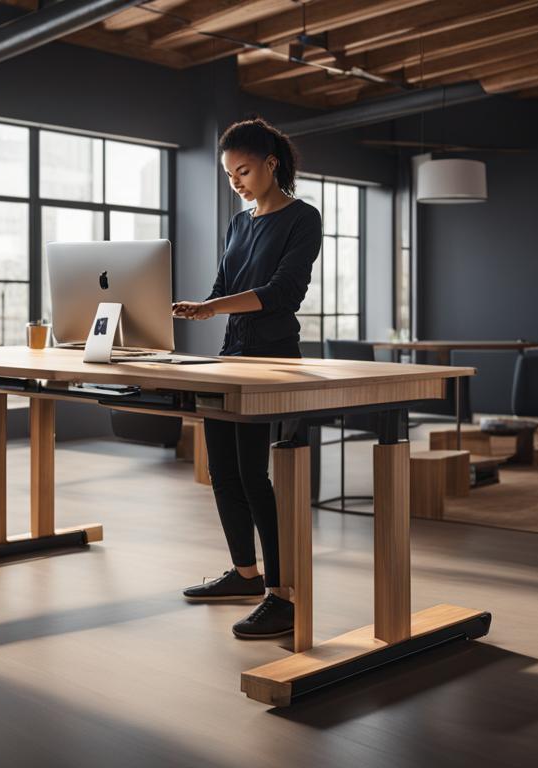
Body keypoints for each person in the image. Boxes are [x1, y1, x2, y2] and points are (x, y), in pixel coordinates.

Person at [172, 117, 322, 639]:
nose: (236, 181)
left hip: (273, 357)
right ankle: (244, 574)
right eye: (229, 174)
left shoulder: (303, 218)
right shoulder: (239, 224)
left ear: (270, 164)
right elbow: (222, 286)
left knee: (255, 475)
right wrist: (202, 309)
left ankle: (283, 596)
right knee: (224, 473)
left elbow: (284, 291)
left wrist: (210, 307)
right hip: (230, 354)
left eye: (243, 170)